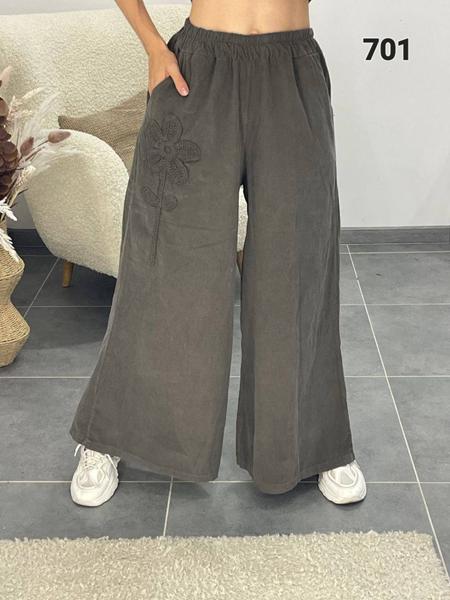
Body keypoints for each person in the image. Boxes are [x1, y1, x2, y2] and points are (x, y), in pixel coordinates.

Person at [70, 0, 367, 507]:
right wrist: (153, 46)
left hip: (292, 69)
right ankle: (109, 434)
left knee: (297, 262)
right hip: (198, 71)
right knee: (164, 263)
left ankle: (315, 443)